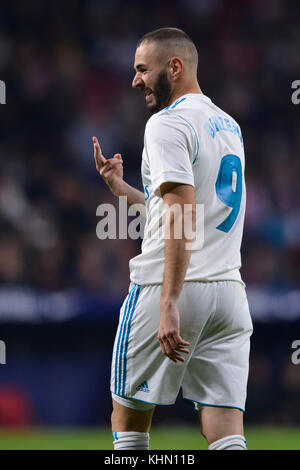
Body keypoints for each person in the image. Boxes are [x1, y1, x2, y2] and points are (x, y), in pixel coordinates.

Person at [93, 27, 253, 451]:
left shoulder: (166, 123)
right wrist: (123, 190)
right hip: (228, 297)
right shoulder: (228, 125)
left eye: (143, 69)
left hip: (175, 288)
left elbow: (181, 213)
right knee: (225, 429)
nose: (135, 80)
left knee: (128, 421)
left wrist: (168, 301)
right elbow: (182, 208)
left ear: (175, 67)